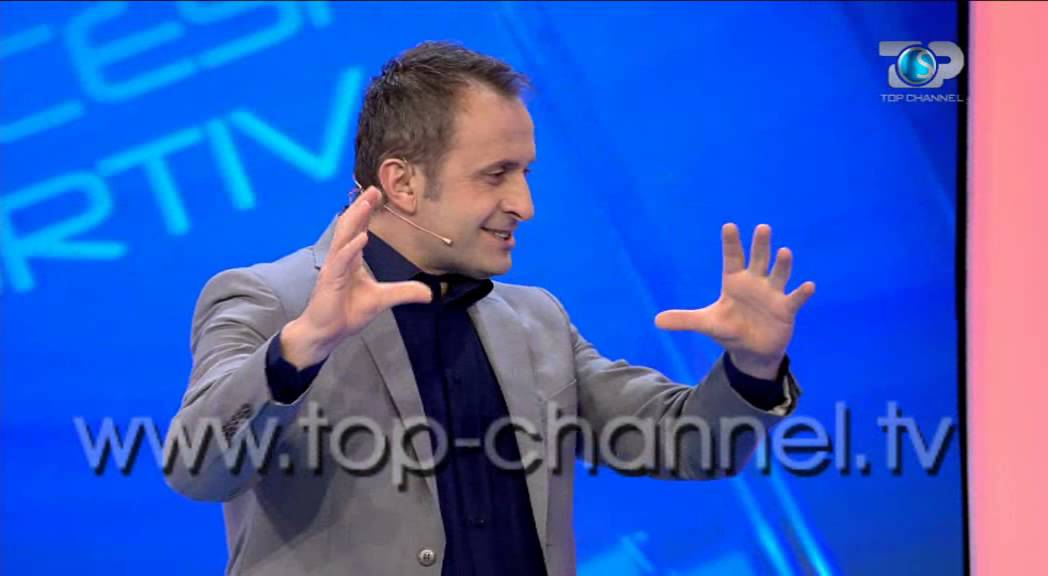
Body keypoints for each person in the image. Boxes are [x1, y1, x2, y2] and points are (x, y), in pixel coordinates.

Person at [165, 41, 815, 576]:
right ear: (402, 182)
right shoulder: (271, 299)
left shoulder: (535, 321)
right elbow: (196, 468)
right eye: (496, 174)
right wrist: (297, 351)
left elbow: (689, 445)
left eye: (526, 173)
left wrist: (753, 371)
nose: (524, 205)